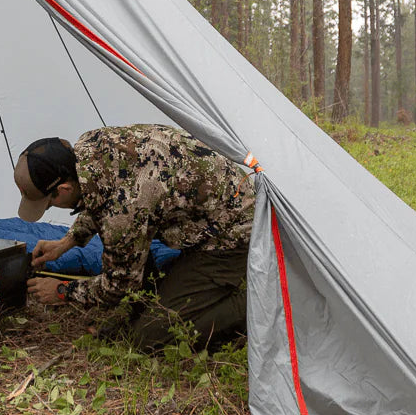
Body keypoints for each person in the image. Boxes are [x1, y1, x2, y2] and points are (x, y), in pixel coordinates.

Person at [13, 125, 255, 350]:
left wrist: (62, 291)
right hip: (205, 211)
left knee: (149, 337)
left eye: (49, 204)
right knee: (143, 303)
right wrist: (68, 241)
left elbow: (118, 285)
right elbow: (101, 197)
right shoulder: (88, 148)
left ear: (63, 190)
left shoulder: (124, 208)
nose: (52, 208)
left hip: (231, 233)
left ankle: (255, 307)